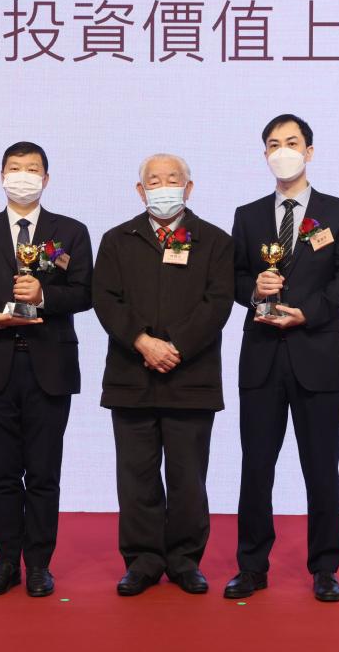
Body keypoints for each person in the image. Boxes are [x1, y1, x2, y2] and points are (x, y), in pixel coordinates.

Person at [225, 114, 339, 602]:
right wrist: (254, 289)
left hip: (317, 356)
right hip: (262, 356)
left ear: (309, 151)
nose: (281, 151)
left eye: (291, 142)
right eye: (273, 144)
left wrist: (308, 312)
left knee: (322, 466)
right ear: (264, 154)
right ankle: (251, 566)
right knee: (256, 466)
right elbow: (232, 277)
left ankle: (325, 567)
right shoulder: (247, 215)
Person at [0, 141, 93, 597]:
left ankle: (40, 565)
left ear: (46, 179)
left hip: (50, 368)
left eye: (32, 170)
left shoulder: (70, 231)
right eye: (15, 168)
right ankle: (7, 561)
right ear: (1, 176)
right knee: (3, 473)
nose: (23, 176)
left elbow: (86, 292)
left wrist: (44, 297)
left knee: (44, 473)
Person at [92, 153, 234, 596]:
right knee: (136, 477)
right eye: (154, 180)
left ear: (188, 188)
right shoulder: (117, 239)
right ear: (140, 191)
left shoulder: (214, 241)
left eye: (173, 179)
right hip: (131, 376)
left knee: (188, 476)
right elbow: (105, 299)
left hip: (190, 377)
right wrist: (143, 342)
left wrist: (175, 346)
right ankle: (143, 561)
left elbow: (218, 302)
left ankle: (185, 560)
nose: (163, 186)